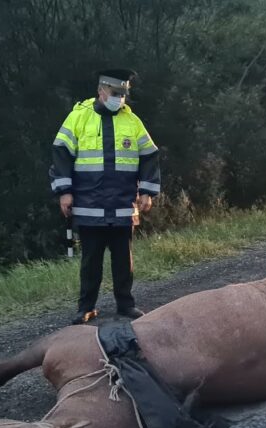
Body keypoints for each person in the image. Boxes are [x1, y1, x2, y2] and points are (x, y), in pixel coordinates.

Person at [49, 68, 161, 325]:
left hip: (122, 205)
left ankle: (126, 305)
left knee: (124, 260)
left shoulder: (132, 121)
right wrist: (64, 192)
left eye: (123, 94)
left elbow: (149, 156)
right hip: (90, 205)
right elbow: (61, 154)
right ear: (101, 91)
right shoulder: (78, 118)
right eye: (114, 93)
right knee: (91, 261)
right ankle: (86, 307)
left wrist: (147, 191)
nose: (119, 99)